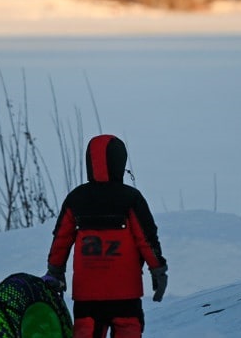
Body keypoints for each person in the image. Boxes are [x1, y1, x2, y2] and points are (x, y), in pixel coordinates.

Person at [43, 134, 168, 338]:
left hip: (87, 294)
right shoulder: (131, 198)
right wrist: (158, 269)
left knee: (86, 331)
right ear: (120, 161)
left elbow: (61, 239)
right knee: (128, 330)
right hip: (125, 292)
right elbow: (146, 239)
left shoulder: (76, 198)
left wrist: (55, 271)